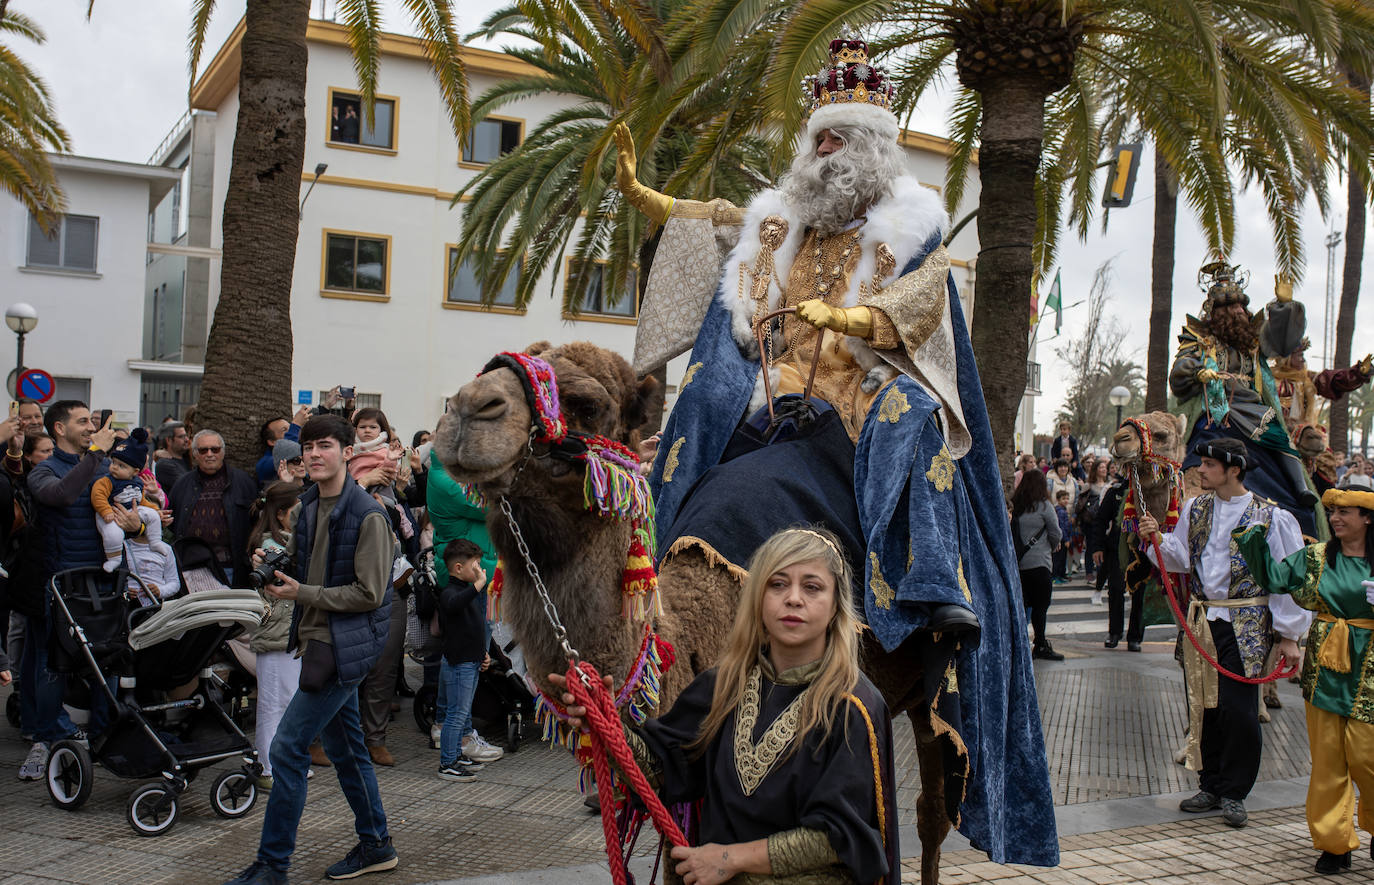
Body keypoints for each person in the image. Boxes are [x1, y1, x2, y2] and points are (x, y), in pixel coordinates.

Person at [554, 527, 898, 884]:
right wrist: (607, 724)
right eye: (777, 584)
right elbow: (660, 768)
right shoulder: (722, 686)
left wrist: (729, 859)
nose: (794, 598)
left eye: (812, 587)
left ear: (836, 606)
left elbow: (837, 838)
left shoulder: (852, 705)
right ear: (757, 598)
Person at [222, 414, 397, 885]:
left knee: (286, 749)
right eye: (308, 447)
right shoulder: (308, 507)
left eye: (325, 446)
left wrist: (301, 593)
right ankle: (377, 844)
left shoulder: (368, 515)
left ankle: (273, 865)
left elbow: (369, 593)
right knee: (347, 752)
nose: (315, 454)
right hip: (317, 639)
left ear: (347, 452)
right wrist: (273, 561)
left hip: (343, 649)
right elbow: (306, 564)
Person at [1139, 437, 1312, 827]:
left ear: (1234, 469)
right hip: (1203, 622)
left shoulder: (1271, 517)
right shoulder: (1195, 507)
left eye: (1209, 465)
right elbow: (1182, 558)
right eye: (1201, 464)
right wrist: (1155, 537)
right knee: (1205, 706)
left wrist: (1289, 635)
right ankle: (1211, 784)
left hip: (1246, 623)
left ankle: (1235, 791)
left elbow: (1286, 578)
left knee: (1239, 710)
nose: (1200, 470)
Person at [1234, 474, 1374, 873]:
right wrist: (1255, 541)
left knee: (1368, 757)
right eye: (1332, 512)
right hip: (1325, 669)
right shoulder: (1317, 557)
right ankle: (1334, 843)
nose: (1334, 518)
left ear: (1367, 518)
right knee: (1328, 759)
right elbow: (1277, 578)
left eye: (1344, 512)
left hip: (1370, 670)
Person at [23, 402, 139, 779]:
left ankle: (102, 736)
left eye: (92, 420)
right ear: (58, 428)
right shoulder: (44, 469)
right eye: (82, 421)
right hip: (59, 584)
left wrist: (137, 524)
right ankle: (48, 738)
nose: (91, 427)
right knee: (50, 666)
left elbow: (130, 515)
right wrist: (95, 456)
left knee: (105, 661)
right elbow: (60, 496)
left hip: (102, 584)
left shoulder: (105, 467)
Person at [1170, 263, 1322, 536]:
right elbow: (1179, 371)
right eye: (1233, 307)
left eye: (1242, 306)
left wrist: (1283, 307)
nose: (1240, 311)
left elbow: (1282, 342)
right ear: (1218, 312)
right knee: (1202, 440)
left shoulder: (1253, 341)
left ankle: (1299, 488)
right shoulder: (1198, 338)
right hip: (1217, 409)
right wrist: (1198, 371)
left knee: (1278, 434)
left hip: (1253, 410)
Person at [245, 481, 305, 792]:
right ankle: (267, 766)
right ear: (281, 514)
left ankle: (284, 761)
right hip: (275, 633)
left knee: (290, 698)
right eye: (297, 510)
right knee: (273, 701)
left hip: (292, 633)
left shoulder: (292, 540)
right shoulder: (268, 546)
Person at [90, 429, 178, 603]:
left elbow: (142, 500)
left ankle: (155, 541)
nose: (114, 467)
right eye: (113, 462)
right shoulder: (107, 480)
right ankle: (113, 558)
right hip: (111, 513)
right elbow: (97, 496)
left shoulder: (137, 482)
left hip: (132, 511)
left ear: (135, 471)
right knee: (113, 534)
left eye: (121, 466)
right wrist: (106, 511)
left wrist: (156, 510)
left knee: (152, 515)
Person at [432, 538, 491, 782]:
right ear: (458, 568)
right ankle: (448, 762)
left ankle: (456, 754)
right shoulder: (450, 593)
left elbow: (474, 627)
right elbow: (454, 605)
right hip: (459, 664)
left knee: (462, 711)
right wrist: (478, 584)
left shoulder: (467, 595)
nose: (479, 570)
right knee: (456, 714)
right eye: (475, 565)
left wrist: (483, 653)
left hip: (471, 660)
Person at [168, 430, 257, 585]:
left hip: (232, 568)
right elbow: (172, 524)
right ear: (195, 454)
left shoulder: (244, 483)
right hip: (192, 569)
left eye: (214, 449)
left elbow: (256, 522)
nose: (209, 454)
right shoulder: (182, 485)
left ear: (223, 452)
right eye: (203, 450)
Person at [1012, 469, 1064, 661]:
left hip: (1019, 566)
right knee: (1041, 607)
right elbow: (1056, 533)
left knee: (1022, 606)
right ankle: (1040, 644)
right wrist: (1049, 546)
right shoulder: (1044, 506)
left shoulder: (1016, 506)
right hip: (1040, 564)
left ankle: (1019, 644)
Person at [1093, 469, 1144, 651]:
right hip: (1116, 549)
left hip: (1141, 551)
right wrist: (1097, 547)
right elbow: (1100, 520)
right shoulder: (1115, 492)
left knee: (1139, 594)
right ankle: (1114, 632)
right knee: (1115, 590)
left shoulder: (1147, 493)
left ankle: (1135, 637)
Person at [1080, 459, 1112, 601]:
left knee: (1102, 549)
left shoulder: (1110, 485)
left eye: (1105, 467)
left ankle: (1101, 575)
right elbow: (1081, 502)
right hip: (1091, 521)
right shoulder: (1089, 485)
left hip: (1105, 522)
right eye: (1101, 467)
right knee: (1091, 546)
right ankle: (1089, 573)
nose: (1103, 470)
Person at [255, 409, 307, 487]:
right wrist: (296, 425)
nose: (302, 464)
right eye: (285, 430)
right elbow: (287, 453)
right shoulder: (264, 464)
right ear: (272, 442)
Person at [153, 421, 193, 493]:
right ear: (169, 440)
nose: (187, 439)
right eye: (181, 437)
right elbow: (189, 486)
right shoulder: (164, 465)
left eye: (186, 436)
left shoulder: (188, 458)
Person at [1052, 490, 1072, 584]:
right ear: (1058, 499)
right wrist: (1066, 539)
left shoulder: (1062, 510)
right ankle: (1056, 576)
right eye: (1063, 498)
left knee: (1062, 558)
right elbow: (1062, 527)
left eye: (1067, 498)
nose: (1066, 501)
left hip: (1063, 538)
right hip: (1062, 539)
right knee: (1059, 559)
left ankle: (1060, 575)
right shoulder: (1060, 512)